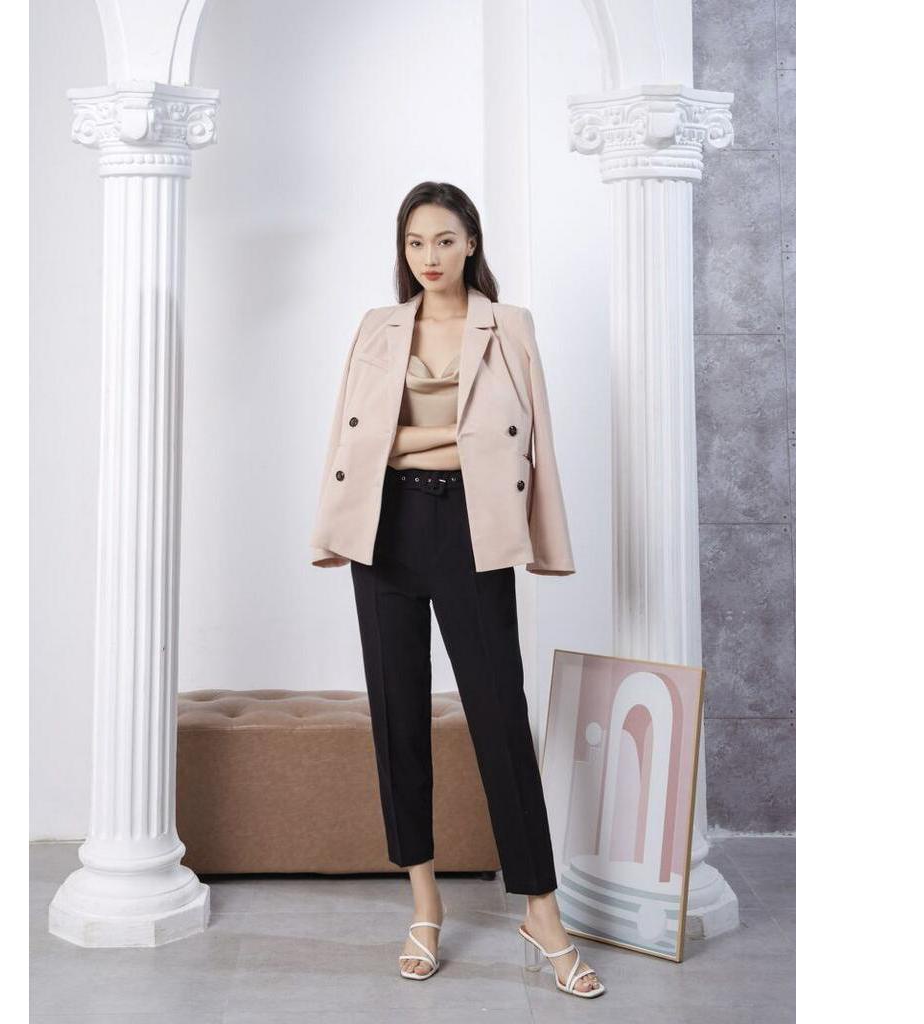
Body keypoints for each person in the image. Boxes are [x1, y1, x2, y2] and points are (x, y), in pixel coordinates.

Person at [311, 181, 604, 998]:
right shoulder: (377, 328)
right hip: (384, 530)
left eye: (444, 240)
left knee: (500, 718)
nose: (429, 257)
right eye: (415, 243)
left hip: (474, 529)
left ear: (471, 241)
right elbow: (357, 443)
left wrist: (415, 440)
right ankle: (424, 904)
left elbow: (526, 442)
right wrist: (451, 438)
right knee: (397, 717)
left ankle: (541, 911)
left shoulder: (510, 327)